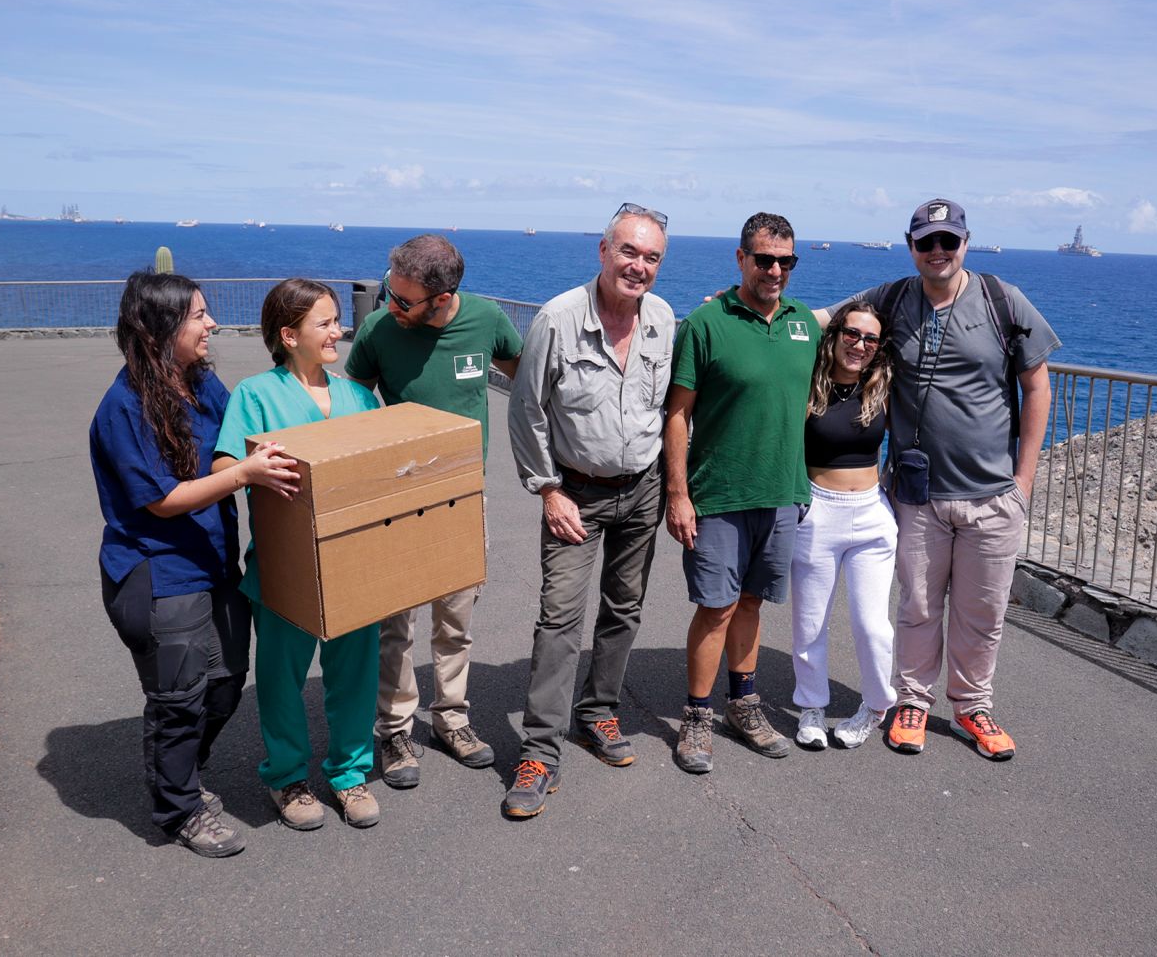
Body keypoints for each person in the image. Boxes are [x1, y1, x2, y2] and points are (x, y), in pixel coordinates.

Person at [823, 198, 1058, 760]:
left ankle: (974, 706)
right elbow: (825, 320)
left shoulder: (1002, 300)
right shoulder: (892, 299)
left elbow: (1038, 387)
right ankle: (913, 701)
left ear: (965, 244)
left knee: (983, 613)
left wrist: (1023, 481)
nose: (937, 252)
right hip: (918, 495)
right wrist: (744, 305)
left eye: (947, 241)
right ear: (911, 247)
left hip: (992, 496)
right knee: (918, 607)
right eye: (926, 242)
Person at [89, 270, 300, 857]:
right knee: (179, 698)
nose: (212, 325)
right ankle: (177, 808)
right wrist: (245, 476)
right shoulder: (125, 406)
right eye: (198, 316)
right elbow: (162, 500)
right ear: (160, 328)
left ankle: (179, 773)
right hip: (158, 573)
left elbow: (235, 446)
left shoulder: (198, 384)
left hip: (211, 562)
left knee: (227, 685)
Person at [502, 203, 675, 818]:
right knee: (559, 619)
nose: (639, 266)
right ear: (603, 251)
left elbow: (664, 410)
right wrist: (548, 490)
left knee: (624, 608)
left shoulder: (661, 318)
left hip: (642, 487)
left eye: (651, 256)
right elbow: (526, 410)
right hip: (575, 491)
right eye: (628, 251)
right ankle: (540, 753)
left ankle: (598, 712)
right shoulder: (558, 318)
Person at [344, 234, 523, 788]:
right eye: (388, 294)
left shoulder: (489, 320)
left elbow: (525, 374)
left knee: (456, 619)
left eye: (404, 301)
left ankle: (451, 718)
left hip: (464, 497)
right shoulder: (378, 330)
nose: (390, 308)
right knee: (395, 622)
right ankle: (395, 728)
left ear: (443, 297)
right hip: (399, 503)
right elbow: (351, 400)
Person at [213, 279, 383, 830]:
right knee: (282, 675)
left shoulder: (358, 395)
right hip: (286, 565)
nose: (339, 331)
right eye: (325, 323)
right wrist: (252, 469)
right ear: (289, 335)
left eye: (338, 320)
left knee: (355, 671)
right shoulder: (256, 395)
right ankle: (286, 778)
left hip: (354, 560)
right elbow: (222, 468)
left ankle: (350, 775)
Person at [665, 212, 819, 774]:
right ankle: (698, 715)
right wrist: (678, 495)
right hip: (719, 494)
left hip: (780, 494)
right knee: (716, 606)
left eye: (786, 261)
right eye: (764, 259)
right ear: (741, 259)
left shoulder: (806, 323)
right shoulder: (707, 323)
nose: (775, 270)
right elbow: (678, 414)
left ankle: (744, 704)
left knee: (752, 603)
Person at [789, 298, 897, 750]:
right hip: (818, 510)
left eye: (870, 338)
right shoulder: (806, 385)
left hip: (873, 513)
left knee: (873, 625)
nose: (860, 345)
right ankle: (811, 705)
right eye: (851, 334)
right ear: (832, 337)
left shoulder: (885, 385)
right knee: (810, 622)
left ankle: (875, 705)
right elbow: (795, 319)